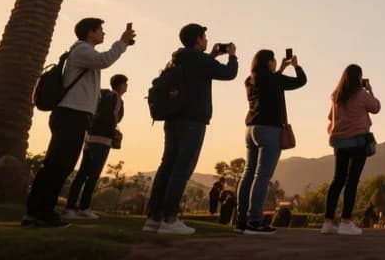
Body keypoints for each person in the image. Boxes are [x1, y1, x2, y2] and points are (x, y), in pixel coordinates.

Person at [23, 18, 135, 228]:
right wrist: (122, 43)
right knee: (58, 165)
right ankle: (40, 212)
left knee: (61, 165)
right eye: (101, 30)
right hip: (70, 115)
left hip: (75, 115)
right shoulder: (82, 50)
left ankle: (40, 211)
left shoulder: (84, 53)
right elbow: (105, 60)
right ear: (90, 33)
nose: (103, 33)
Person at [143, 23, 238, 235]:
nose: (206, 40)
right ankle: (170, 219)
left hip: (173, 118)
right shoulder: (199, 60)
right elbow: (229, 73)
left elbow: (196, 73)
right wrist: (232, 55)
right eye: (204, 37)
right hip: (193, 120)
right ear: (197, 39)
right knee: (182, 167)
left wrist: (211, 56)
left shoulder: (176, 59)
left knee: (166, 165)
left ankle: (154, 218)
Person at [235, 49, 307, 235]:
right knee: (262, 176)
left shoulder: (249, 80)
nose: (276, 62)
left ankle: (241, 220)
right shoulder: (275, 80)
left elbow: (270, 83)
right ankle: (255, 221)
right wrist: (296, 66)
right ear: (269, 62)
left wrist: (281, 68)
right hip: (269, 130)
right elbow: (301, 81)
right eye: (274, 60)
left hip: (251, 129)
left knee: (248, 173)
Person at [320, 64, 380, 236]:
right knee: (352, 181)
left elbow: (331, 117)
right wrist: (369, 90)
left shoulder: (336, 95)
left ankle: (328, 222)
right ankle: (346, 221)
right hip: (358, 142)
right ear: (359, 78)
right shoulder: (361, 94)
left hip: (339, 143)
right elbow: (376, 107)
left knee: (337, 180)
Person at [65, 73, 128, 219]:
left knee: (82, 174)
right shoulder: (116, 98)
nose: (126, 87)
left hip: (90, 139)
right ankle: (84, 207)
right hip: (102, 141)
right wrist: (113, 133)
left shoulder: (101, 96)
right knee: (93, 176)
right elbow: (110, 118)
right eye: (125, 84)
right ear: (120, 85)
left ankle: (70, 207)